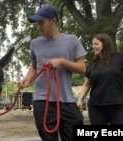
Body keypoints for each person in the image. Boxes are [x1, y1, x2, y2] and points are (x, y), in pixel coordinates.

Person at [20, 5, 87, 141]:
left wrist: (62, 62)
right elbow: (34, 67)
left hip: (66, 99)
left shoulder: (71, 40)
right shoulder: (35, 44)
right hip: (42, 100)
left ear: (53, 21)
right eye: (37, 24)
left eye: (41, 23)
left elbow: (82, 68)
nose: (39, 27)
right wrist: (28, 78)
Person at [77, 33, 123, 125]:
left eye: (96, 44)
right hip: (96, 107)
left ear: (105, 43)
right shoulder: (92, 64)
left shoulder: (121, 57)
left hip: (119, 105)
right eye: (93, 44)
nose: (93, 46)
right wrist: (79, 99)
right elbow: (86, 85)